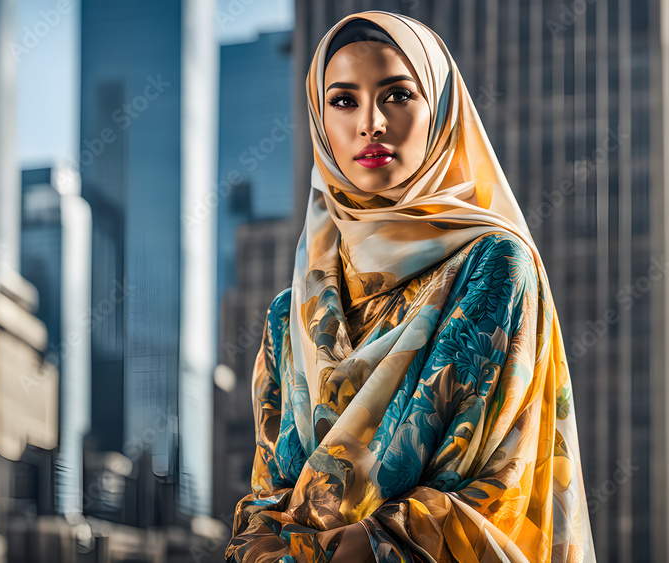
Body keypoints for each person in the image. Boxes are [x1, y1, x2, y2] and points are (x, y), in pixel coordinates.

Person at [225, 11, 596, 563]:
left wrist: (346, 548)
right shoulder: (288, 316)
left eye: (397, 95)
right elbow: (266, 499)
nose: (370, 122)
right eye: (344, 100)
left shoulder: (494, 265)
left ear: (441, 112)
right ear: (319, 121)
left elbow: (498, 490)